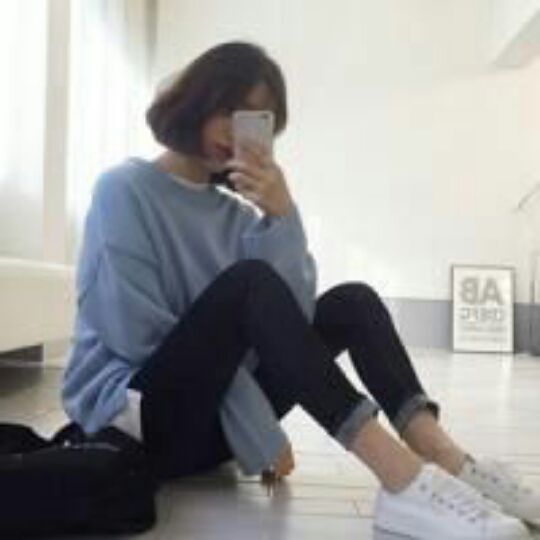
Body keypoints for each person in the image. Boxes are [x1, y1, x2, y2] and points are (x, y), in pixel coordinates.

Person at [62, 41, 538, 539]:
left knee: (353, 301)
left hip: (213, 432)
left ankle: (445, 457)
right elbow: (134, 335)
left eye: (254, 120)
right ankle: (402, 479)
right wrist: (260, 429)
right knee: (249, 283)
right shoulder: (123, 189)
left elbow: (292, 322)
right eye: (229, 109)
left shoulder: (237, 216)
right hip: (138, 424)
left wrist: (282, 216)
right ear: (196, 100)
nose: (235, 131)